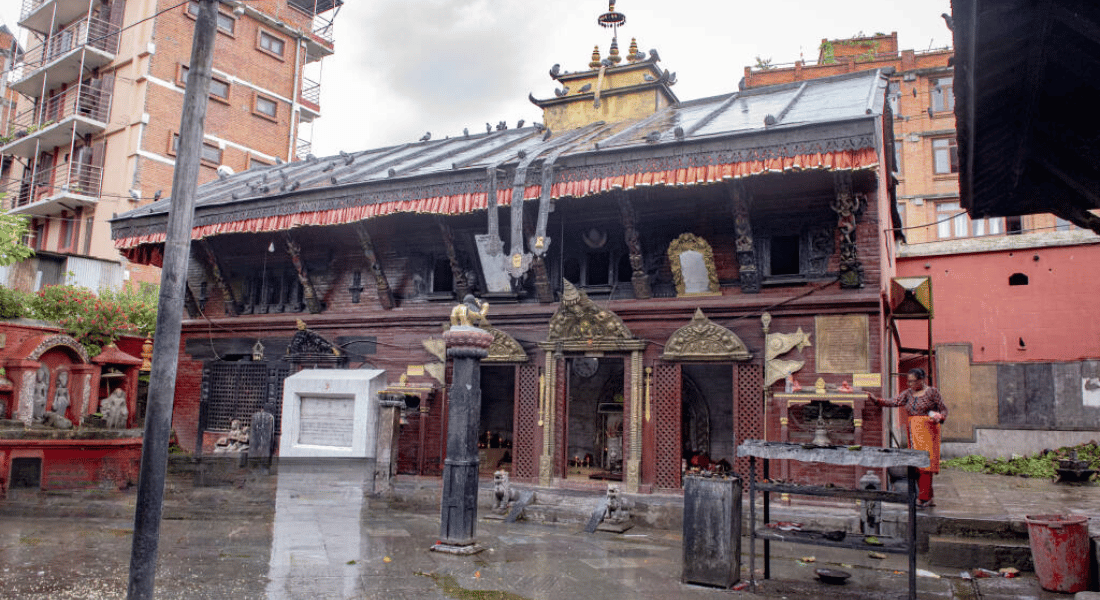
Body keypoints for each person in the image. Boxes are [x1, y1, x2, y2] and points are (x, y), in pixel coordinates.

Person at [867, 368, 948, 508]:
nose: (910, 384)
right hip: (913, 430)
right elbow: (894, 402)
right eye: (908, 381)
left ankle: (924, 498)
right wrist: (877, 401)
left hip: (929, 429)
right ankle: (927, 496)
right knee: (915, 464)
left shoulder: (932, 392)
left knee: (925, 465)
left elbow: (944, 409)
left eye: (913, 381)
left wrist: (939, 417)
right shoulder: (908, 393)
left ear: (922, 379)